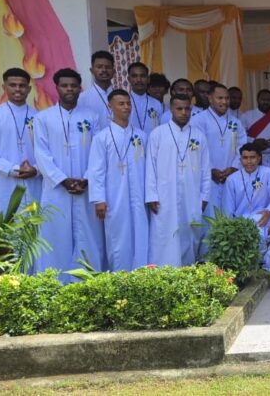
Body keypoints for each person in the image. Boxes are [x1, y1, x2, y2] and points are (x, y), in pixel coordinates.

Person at [33, 68, 103, 280]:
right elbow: (41, 154)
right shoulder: (43, 118)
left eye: (73, 86)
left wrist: (87, 178)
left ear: (80, 88)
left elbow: (98, 153)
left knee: (88, 236)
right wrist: (62, 180)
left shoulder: (92, 116)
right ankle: (55, 281)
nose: (69, 89)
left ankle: (87, 281)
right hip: (56, 189)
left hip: (85, 187)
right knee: (55, 235)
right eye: (65, 85)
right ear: (57, 88)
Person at [145, 94, 211, 266]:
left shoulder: (199, 135)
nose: (183, 112)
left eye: (187, 108)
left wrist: (204, 196)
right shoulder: (158, 134)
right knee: (164, 233)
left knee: (190, 232)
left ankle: (187, 270)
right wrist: (151, 195)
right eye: (179, 108)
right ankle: (163, 271)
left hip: (192, 195)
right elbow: (150, 167)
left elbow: (205, 169)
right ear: (171, 110)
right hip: (164, 195)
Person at [86, 89, 148, 271]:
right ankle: (120, 276)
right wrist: (99, 199)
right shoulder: (102, 137)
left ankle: (142, 274)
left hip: (139, 195)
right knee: (117, 238)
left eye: (128, 103)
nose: (126, 107)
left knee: (140, 235)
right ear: (110, 106)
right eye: (121, 104)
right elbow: (96, 170)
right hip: (114, 197)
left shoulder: (141, 136)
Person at [0, 68, 41, 214]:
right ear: (4, 87)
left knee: (36, 223)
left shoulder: (39, 117)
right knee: (8, 222)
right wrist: (11, 168)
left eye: (22, 85)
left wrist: (36, 169)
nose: (17, 89)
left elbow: (46, 150)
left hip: (34, 182)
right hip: (5, 182)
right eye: (13, 85)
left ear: (29, 89)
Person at [191, 84, 247, 217]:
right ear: (210, 98)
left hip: (230, 176)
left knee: (229, 214)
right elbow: (194, 148)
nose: (224, 102)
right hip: (206, 177)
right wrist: (210, 170)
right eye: (220, 98)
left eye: (227, 98)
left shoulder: (236, 122)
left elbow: (242, 146)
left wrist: (234, 167)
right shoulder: (198, 120)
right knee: (208, 216)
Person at [224, 143, 270, 250]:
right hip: (240, 222)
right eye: (245, 158)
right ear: (240, 160)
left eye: (252, 157)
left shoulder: (269, 173)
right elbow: (228, 207)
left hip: (264, 219)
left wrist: (269, 212)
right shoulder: (232, 179)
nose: (249, 161)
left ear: (259, 158)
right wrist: (230, 227)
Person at [240, 89, 270, 173]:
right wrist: (254, 141)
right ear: (258, 100)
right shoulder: (246, 116)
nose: (266, 102)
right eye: (263, 99)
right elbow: (240, 137)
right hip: (252, 158)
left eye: (268, 100)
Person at [78, 50, 115, 131]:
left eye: (108, 67)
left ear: (113, 71)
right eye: (99, 67)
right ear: (92, 71)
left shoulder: (122, 97)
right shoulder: (82, 98)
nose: (104, 70)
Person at [128, 63, 163, 135]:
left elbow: (160, 128)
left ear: (148, 79)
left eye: (142, 76)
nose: (139, 80)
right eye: (134, 76)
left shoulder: (156, 103)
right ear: (129, 79)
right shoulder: (123, 102)